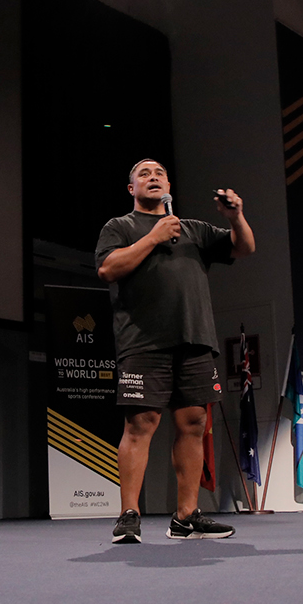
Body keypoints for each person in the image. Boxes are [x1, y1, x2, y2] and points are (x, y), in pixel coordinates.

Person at [95, 159, 255, 543]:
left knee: (194, 424)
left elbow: (244, 247)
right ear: (131, 188)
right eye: (144, 174)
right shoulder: (120, 226)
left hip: (195, 340)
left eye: (159, 173)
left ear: (168, 186)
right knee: (141, 424)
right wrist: (152, 237)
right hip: (143, 342)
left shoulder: (193, 229)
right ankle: (129, 515)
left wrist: (236, 217)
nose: (153, 177)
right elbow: (108, 269)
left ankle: (186, 516)